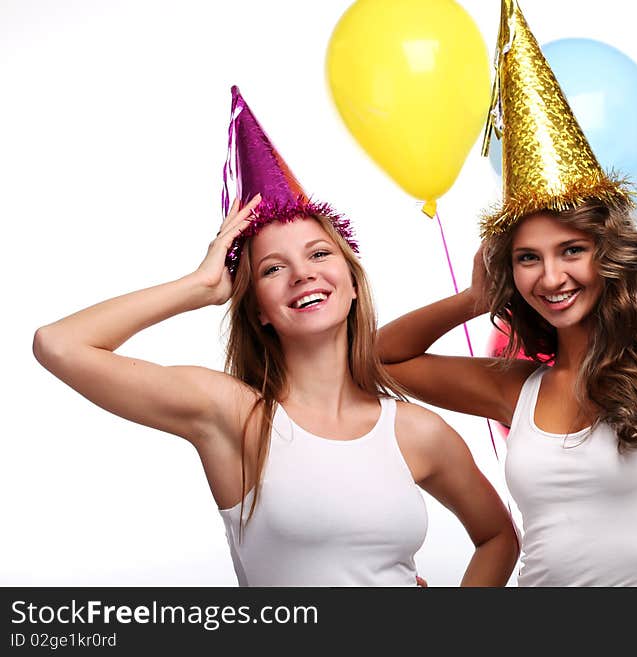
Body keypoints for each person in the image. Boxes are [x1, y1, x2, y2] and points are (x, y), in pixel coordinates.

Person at [376, 1, 637, 586]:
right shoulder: (518, 389)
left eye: (571, 250)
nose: (550, 278)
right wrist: (475, 298)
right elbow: (378, 359)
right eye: (528, 258)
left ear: (607, 250)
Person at [32, 86, 518, 587]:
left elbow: (498, 537)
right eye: (272, 269)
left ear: (353, 284)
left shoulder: (417, 431)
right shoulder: (232, 416)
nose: (302, 274)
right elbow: (60, 344)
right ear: (259, 309)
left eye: (319, 254)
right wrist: (199, 287)